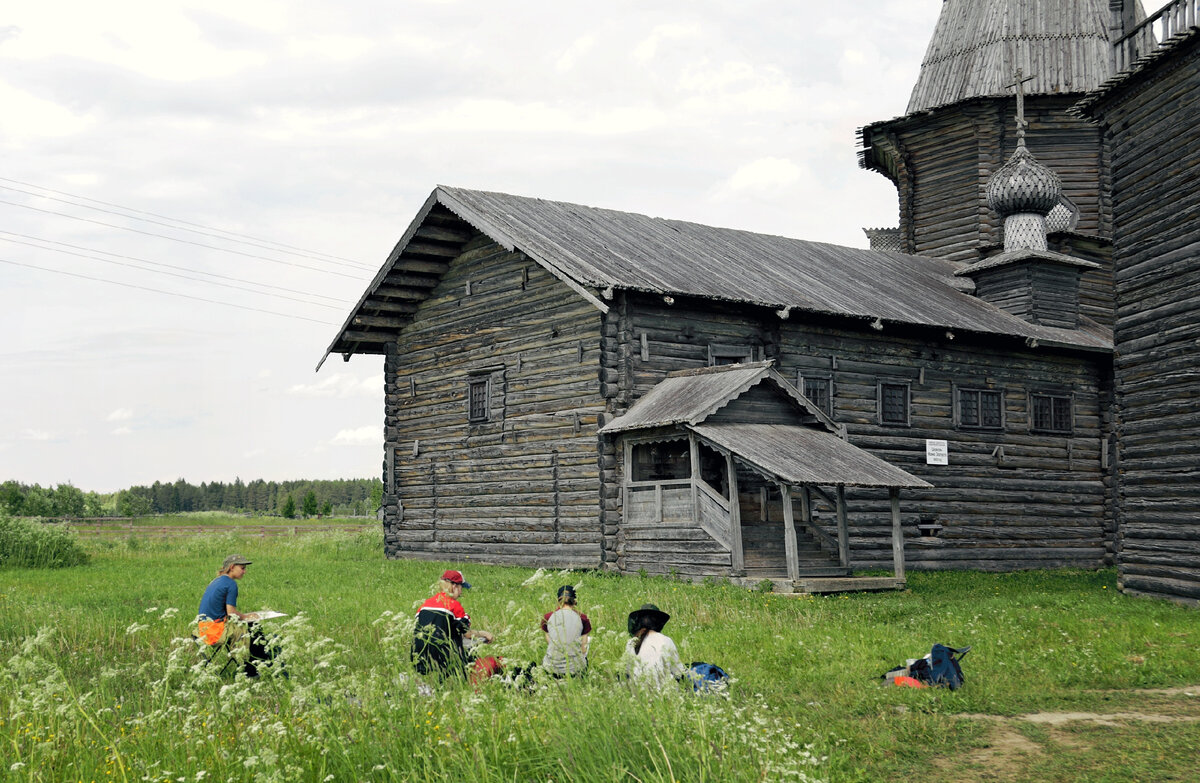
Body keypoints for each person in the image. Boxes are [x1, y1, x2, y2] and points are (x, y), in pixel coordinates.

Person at [195, 554, 280, 677]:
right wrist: (249, 616)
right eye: (242, 568)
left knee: (250, 626)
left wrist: (245, 617)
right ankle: (254, 669)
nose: (244, 572)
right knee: (253, 627)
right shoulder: (230, 584)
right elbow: (231, 613)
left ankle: (258, 665)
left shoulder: (216, 581)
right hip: (215, 631)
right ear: (232, 567)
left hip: (202, 629)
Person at [411, 569, 494, 679]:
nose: (461, 592)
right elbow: (467, 634)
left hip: (419, 655)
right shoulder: (454, 605)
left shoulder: (425, 605)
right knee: (470, 649)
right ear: (454, 587)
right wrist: (483, 633)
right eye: (461, 588)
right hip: (443, 657)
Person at [624, 603, 685, 689]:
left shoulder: (631, 642)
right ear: (658, 622)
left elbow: (628, 671)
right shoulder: (665, 641)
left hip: (638, 693)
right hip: (663, 694)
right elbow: (678, 673)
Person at [541, 585, 590, 677]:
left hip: (551, 669)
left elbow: (550, 641)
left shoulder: (547, 617)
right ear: (575, 601)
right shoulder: (583, 618)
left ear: (558, 601)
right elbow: (584, 649)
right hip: (575, 670)